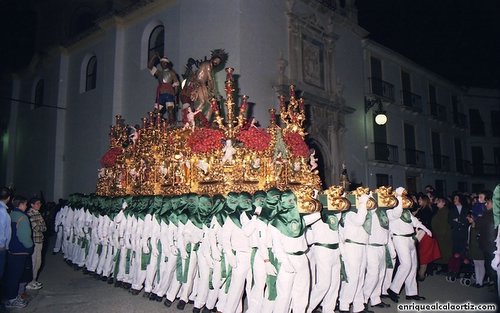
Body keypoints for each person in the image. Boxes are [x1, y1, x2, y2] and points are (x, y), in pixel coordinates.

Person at [181, 49, 228, 121]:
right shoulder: (208, 64)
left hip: (201, 84)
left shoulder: (209, 65)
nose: (216, 63)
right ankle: (195, 117)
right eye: (216, 60)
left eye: (218, 62)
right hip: (199, 84)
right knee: (207, 102)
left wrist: (212, 90)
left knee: (208, 102)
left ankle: (203, 118)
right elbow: (210, 78)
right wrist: (214, 90)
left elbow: (209, 80)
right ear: (213, 58)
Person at [4, 195, 33, 309]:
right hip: (20, 250)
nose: (26, 206)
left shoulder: (10, 214)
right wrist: (29, 247)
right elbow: (24, 236)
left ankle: (11, 296)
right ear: (21, 204)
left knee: (11, 275)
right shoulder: (23, 217)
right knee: (16, 276)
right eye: (25, 204)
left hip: (11, 249)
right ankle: (12, 299)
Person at [148, 53, 180, 123]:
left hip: (169, 93)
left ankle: (171, 124)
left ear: (167, 63)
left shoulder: (171, 73)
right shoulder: (159, 73)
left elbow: (176, 83)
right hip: (160, 93)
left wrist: (175, 93)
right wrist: (154, 56)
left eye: (165, 63)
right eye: (162, 63)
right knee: (156, 110)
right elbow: (150, 66)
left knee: (170, 110)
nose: (163, 64)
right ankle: (153, 124)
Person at [26, 197, 47, 290]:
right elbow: (37, 228)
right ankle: (30, 281)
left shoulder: (38, 213)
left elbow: (44, 227)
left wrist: (41, 226)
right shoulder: (30, 214)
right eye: (37, 203)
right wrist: (41, 226)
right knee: (33, 261)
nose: (39, 205)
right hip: (34, 240)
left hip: (40, 240)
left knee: (38, 261)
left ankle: (34, 279)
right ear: (32, 205)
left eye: (40, 203)